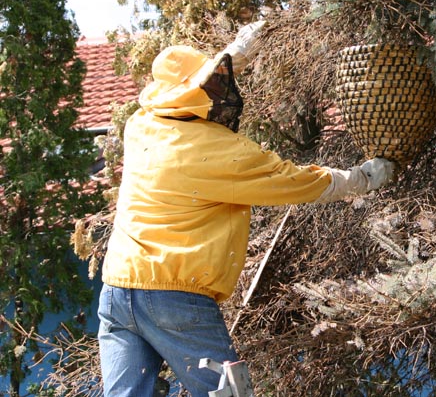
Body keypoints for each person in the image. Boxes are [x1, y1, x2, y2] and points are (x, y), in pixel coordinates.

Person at [97, 21, 394, 396]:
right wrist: (359, 180)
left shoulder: (141, 125)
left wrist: (234, 54)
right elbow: (292, 180)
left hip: (117, 292)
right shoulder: (217, 150)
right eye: (215, 84)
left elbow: (181, 92)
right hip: (173, 295)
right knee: (228, 393)